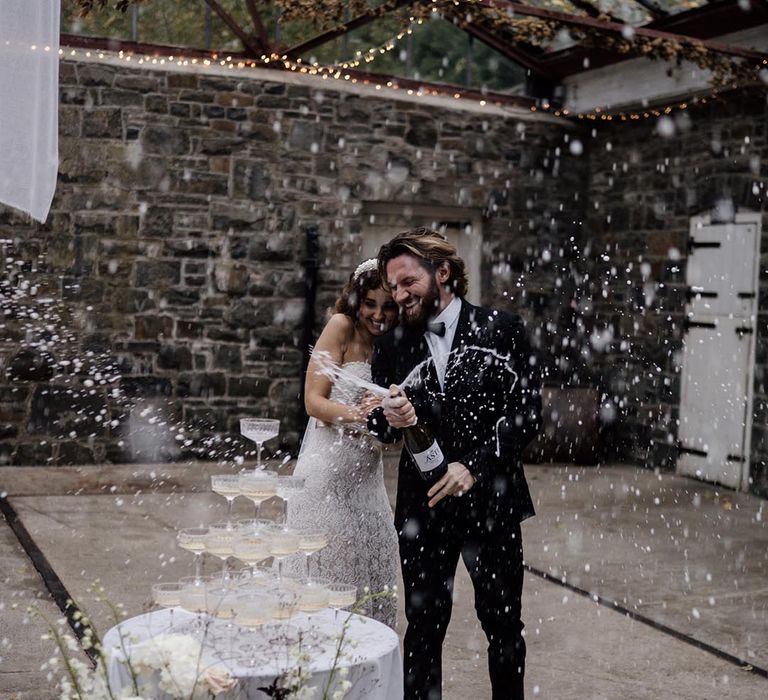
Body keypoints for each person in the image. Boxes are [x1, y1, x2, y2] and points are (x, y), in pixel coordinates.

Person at [367, 228, 541, 699]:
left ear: (443, 272)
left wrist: (474, 466)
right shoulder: (391, 345)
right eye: (394, 287)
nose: (400, 296)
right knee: (423, 628)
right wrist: (392, 416)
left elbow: (527, 415)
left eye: (408, 282)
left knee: (504, 627)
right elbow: (380, 431)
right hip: (422, 510)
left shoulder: (502, 329)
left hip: (493, 502)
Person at [285, 258, 400, 627]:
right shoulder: (341, 327)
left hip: (368, 485)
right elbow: (313, 401)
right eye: (370, 304)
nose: (378, 315)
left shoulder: (395, 343)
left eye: (388, 306)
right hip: (326, 481)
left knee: (370, 581)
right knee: (325, 583)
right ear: (356, 300)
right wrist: (362, 414)